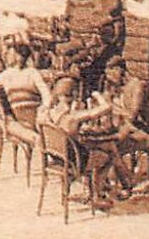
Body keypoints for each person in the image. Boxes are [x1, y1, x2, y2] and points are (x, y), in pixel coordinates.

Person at [39, 75, 134, 207]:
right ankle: (98, 195)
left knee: (106, 146)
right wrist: (97, 95)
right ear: (74, 94)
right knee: (108, 156)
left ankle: (119, 183)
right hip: (74, 162)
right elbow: (106, 107)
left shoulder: (46, 113)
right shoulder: (72, 117)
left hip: (57, 157)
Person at [0, 42, 52, 121]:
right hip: (15, 112)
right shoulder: (6, 74)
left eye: (24, 56)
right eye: (19, 55)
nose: (21, 59)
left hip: (33, 110)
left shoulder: (32, 72)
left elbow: (45, 92)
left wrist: (45, 106)